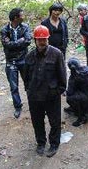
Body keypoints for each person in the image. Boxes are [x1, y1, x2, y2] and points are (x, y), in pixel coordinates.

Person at [22, 25, 67, 157]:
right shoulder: (29, 56)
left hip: (51, 96)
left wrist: (58, 91)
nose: (42, 42)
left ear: (48, 39)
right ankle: (41, 143)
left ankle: (54, 143)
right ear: (35, 40)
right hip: (35, 96)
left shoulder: (56, 54)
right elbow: (26, 77)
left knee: (55, 121)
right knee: (37, 121)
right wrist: (29, 90)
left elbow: (62, 75)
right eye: (39, 39)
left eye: (44, 39)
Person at [0, 8, 32, 119]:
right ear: (15, 18)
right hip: (11, 61)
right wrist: (20, 41)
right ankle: (18, 106)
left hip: (24, 59)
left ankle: (32, 103)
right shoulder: (4, 30)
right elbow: (6, 45)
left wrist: (14, 43)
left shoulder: (25, 27)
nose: (23, 17)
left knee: (28, 83)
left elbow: (28, 41)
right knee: (14, 86)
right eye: (22, 15)